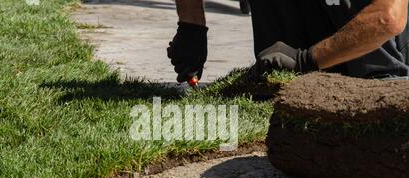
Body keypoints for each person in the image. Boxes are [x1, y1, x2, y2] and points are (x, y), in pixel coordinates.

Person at [167, 0, 409, 83]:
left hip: (385, 46)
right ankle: (283, 76)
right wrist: (191, 25)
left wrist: (306, 60)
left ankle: (380, 78)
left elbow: (386, 18)